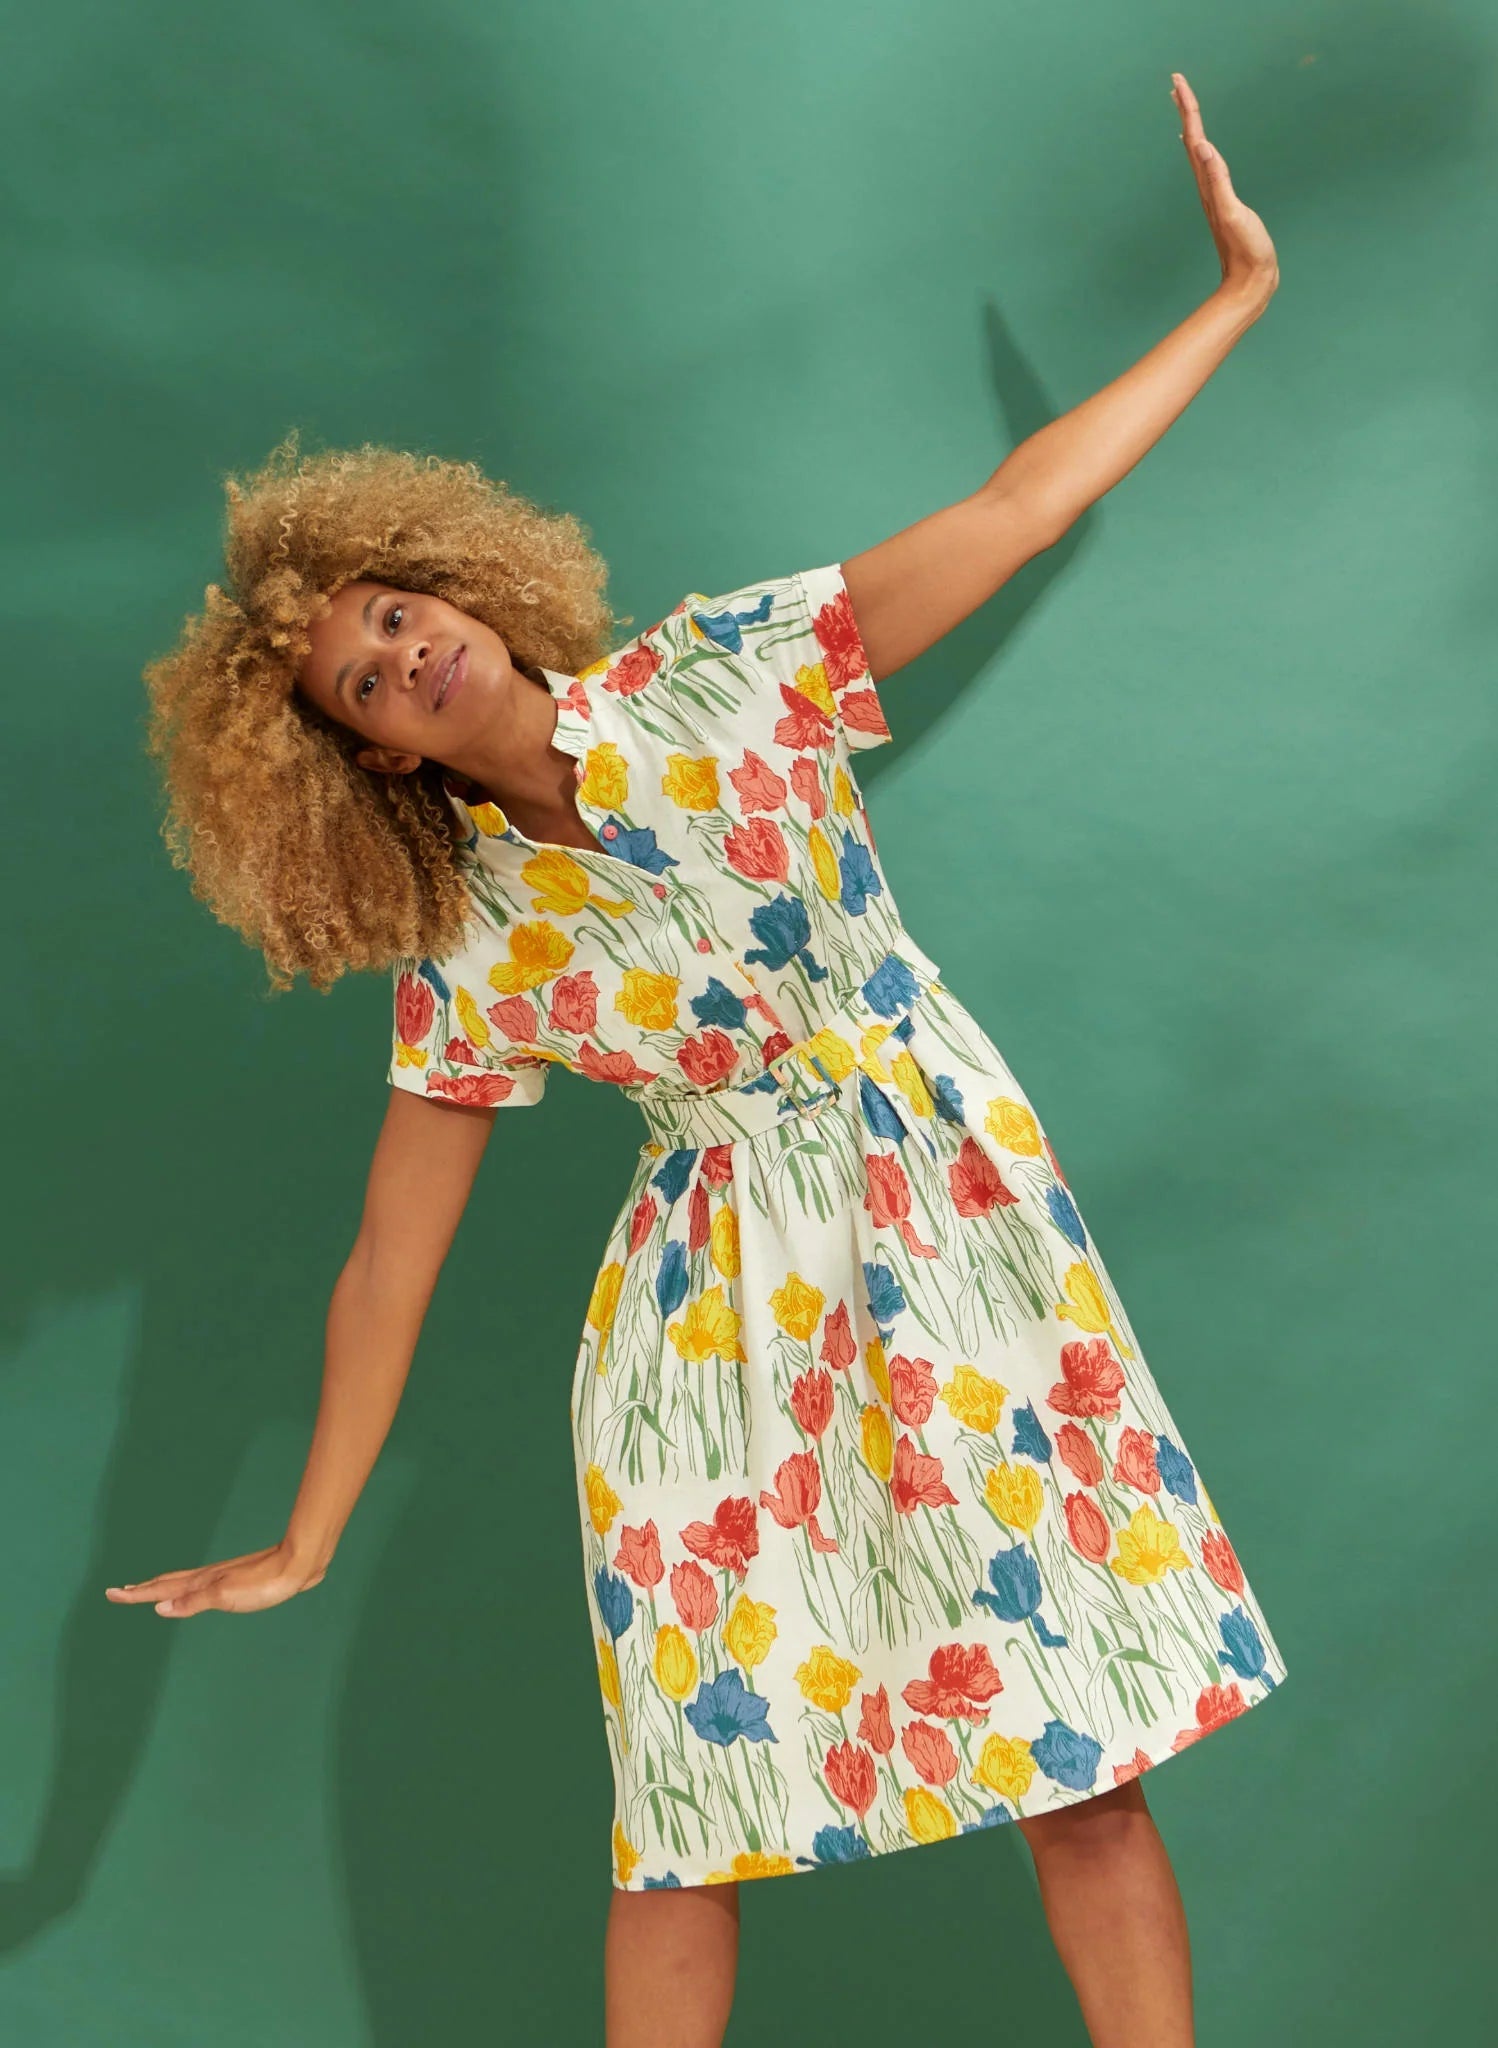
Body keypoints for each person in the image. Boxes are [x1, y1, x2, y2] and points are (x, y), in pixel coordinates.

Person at [112, 73, 1287, 2048]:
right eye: (364, 680)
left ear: (457, 582)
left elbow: (1017, 507)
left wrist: (1232, 294)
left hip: (945, 1207)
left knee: (1079, 1749)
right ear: (371, 752)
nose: (405, 655)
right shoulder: (463, 944)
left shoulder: (734, 671)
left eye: (397, 612)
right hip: (706, 1315)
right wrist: (307, 1532)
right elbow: (387, 1259)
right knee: (687, 1817)